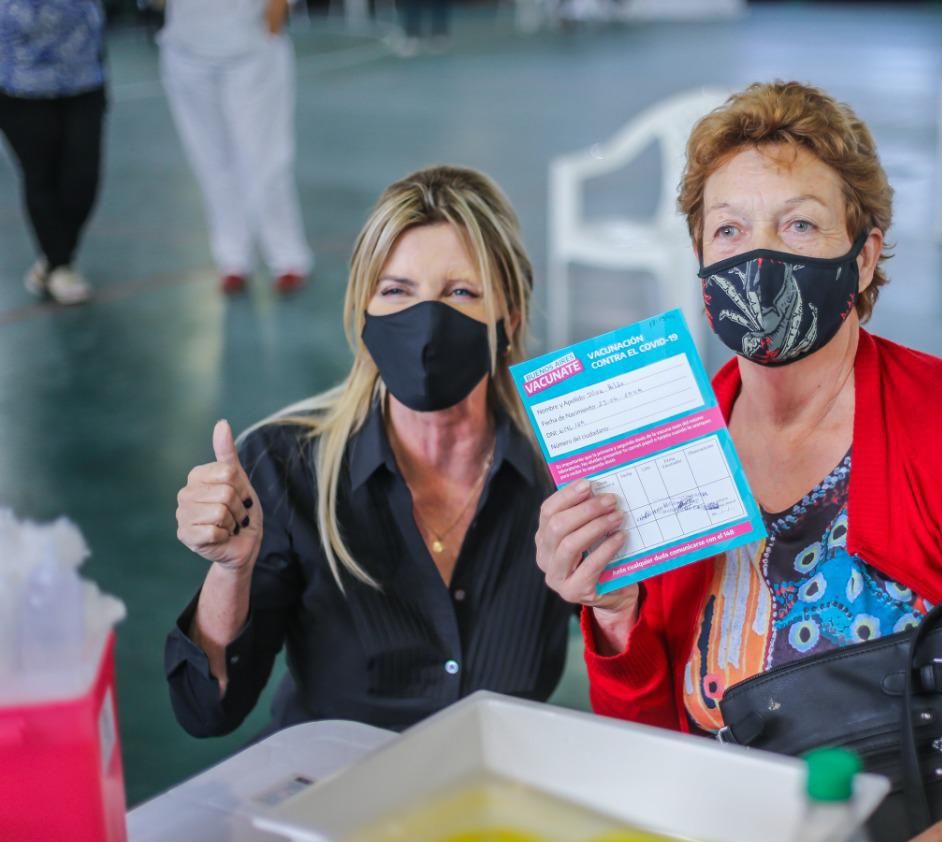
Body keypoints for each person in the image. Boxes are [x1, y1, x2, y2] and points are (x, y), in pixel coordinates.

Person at [535, 82, 942, 842]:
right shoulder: (668, 453)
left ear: (863, 257)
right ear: (700, 260)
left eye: (799, 223)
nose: (760, 258)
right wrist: (615, 610)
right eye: (729, 229)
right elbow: (658, 750)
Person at [168, 166, 570, 736]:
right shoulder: (284, 466)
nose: (427, 322)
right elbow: (206, 711)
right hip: (334, 783)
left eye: (461, 292)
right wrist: (231, 571)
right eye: (396, 291)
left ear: (511, 320)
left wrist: (614, 600)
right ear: (365, 316)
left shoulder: (563, 470)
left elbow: (644, 661)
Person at [158, 0, 313, 295]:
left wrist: (276, 14)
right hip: (186, 48)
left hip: (251, 46)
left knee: (265, 160)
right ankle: (232, 258)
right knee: (209, 161)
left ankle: (287, 256)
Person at [0, 0, 108, 305]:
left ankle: (51, 261)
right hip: (19, 86)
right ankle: (60, 264)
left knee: (84, 179)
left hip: (85, 78)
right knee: (40, 175)